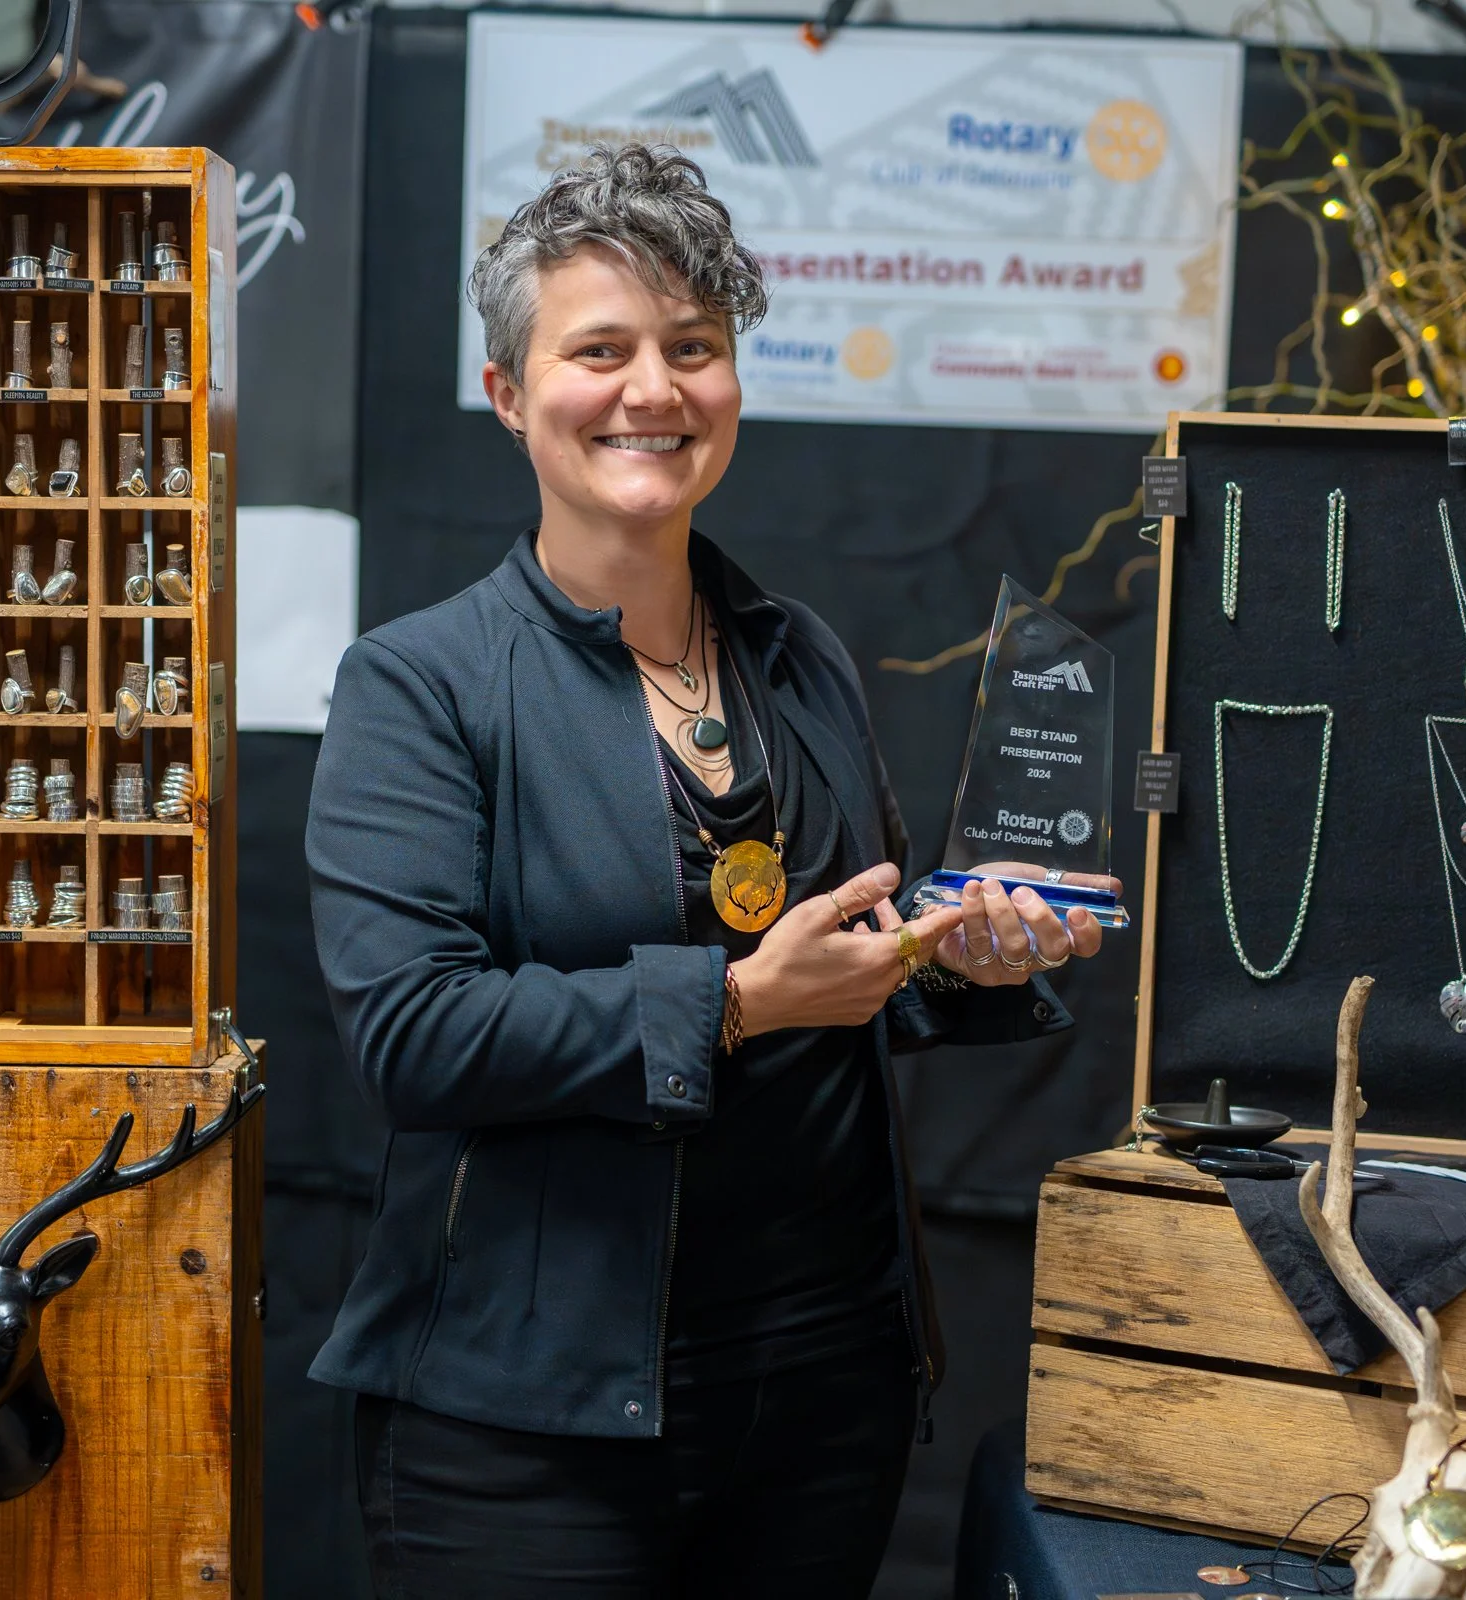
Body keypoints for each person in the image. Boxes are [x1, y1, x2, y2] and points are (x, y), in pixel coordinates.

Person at [306, 143, 1114, 1598]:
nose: (654, 390)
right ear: (508, 394)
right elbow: (414, 1039)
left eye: (695, 348)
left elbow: (845, 969)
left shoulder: (796, 654)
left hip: (824, 1389)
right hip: (528, 1423)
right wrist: (736, 1001)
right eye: (600, 349)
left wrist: (952, 955)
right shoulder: (418, 684)